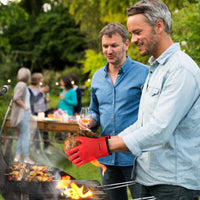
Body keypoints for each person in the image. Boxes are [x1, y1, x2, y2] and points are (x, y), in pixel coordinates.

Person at [67, 1, 200, 199]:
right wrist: (102, 142)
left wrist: (103, 146)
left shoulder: (180, 69)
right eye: (132, 34)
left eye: (138, 32)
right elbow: (143, 124)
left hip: (173, 183)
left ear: (159, 26)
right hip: (151, 177)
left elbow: (159, 130)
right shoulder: (157, 69)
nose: (134, 39)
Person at [78, 22, 149, 200]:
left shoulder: (145, 73)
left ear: (126, 45)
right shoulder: (96, 77)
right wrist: (91, 121)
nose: (109, 50)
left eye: (114, 45)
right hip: (106, 158)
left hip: (136, 157)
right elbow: (95, 110)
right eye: (105, 46)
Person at [10, 67, 35, 164]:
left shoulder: (22, 85)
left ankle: (17, 157)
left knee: (21, 136)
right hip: (22, 115)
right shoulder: (22, 85)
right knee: (26, 136)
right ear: (28, 76)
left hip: (25, 114)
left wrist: (29, 113)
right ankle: (26, 158)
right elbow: (16, 98)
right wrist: (26, 108)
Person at [28, 73, 52, 155]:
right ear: (37, 80)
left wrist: (46, 100)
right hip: (35, 112)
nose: (42, 80)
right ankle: (37, 148)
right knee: (36, 131)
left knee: (45, 130)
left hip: (44, 111)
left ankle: (46, 148)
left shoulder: (40, 88)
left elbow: (41, 99)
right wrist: (41, 92)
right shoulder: (29, 89)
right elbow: (33, 100)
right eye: (41, 79)